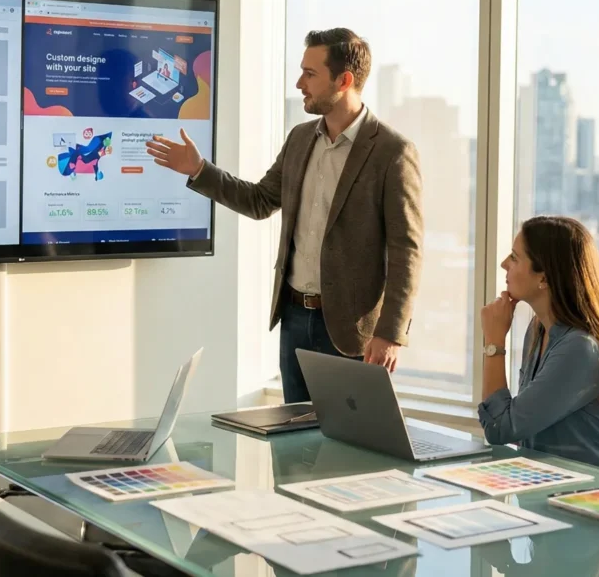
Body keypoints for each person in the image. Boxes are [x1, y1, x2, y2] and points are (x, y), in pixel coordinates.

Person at [145, 28, 423, 403]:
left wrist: (390, 334)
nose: (299, 83)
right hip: (294, 319)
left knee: (349, 439)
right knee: (295, 435)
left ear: (343, 81)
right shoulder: (300, 138)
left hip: (352, 332)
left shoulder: (392, 151)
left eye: (310, 74)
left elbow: (407, 250)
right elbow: (260, 200)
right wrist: (199, 170)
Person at [479, 215, 599, 476]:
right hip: (552, 481)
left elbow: (500, 429)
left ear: (544, 278)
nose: (504, 264)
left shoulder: (581, 349)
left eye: (514, 257)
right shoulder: (538, 330)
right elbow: (520, 429)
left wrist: (494, 342)